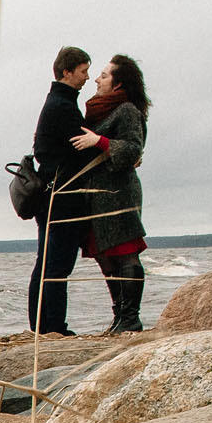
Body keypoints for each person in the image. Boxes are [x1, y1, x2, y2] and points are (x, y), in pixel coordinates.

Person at [73, 54, 150, 333]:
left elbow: (132, 149)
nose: (96, 79)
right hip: (96, 193)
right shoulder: (100, 110)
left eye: (104, 75)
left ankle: (131, 319)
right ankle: (119, 316)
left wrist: (100, 141)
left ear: (118, 84)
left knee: (126, 253)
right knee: (105, 255)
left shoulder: (127, 109)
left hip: (119, 192)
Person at [27, 46, 91, 336]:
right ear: (67, 71)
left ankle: (44, 326)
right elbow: (78, 147)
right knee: (56, 265)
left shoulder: (58, 101)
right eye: (83, 71)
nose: (87, 77)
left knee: (48, 263)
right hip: (61, 194)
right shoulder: (62, 105)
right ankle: (52, 327)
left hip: (52, 192)